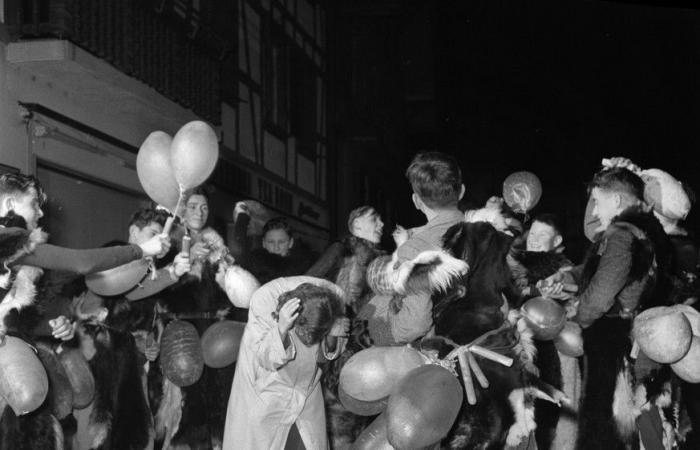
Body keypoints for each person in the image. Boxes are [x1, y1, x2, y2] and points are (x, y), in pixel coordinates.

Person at [540, 165, 672, 450]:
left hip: (612, 344)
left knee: (605, 428)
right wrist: (564, 278)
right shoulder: (641, 231)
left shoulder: (622, 232)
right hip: (632, 341)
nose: (596, 211)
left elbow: (602, 292)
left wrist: (578, 317)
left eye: (598, 202)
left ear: (616, 201)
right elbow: (599, 270)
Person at [222, 277, 347, 449]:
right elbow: (266, 359)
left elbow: (327, 355)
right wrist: (281, 329)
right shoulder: (263, 303)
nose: (309, 341)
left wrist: (333, 334)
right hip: (267, 396)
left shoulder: (331, 302)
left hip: (305, 398)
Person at [358, 152, 465, 345]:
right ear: (462, 191)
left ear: (416, 200)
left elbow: (414, 325)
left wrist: (378, 331)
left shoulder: (416, 248)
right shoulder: (483, 231)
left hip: (439, 355)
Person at [306, 205, 386, 312]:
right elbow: (307, 280)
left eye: (380, 220)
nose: (381, 224)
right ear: (357, 225)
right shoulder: (340, 249)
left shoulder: (379, 262)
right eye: (374, 219)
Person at [232, 201, 316, 285]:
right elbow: (241, 253)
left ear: (291, 243)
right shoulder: (255, 263)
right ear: (264, 243)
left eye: (281, 242)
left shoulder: (305, 267)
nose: (276, 247)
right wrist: (242, 219)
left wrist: (242, 218)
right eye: (271, 242)